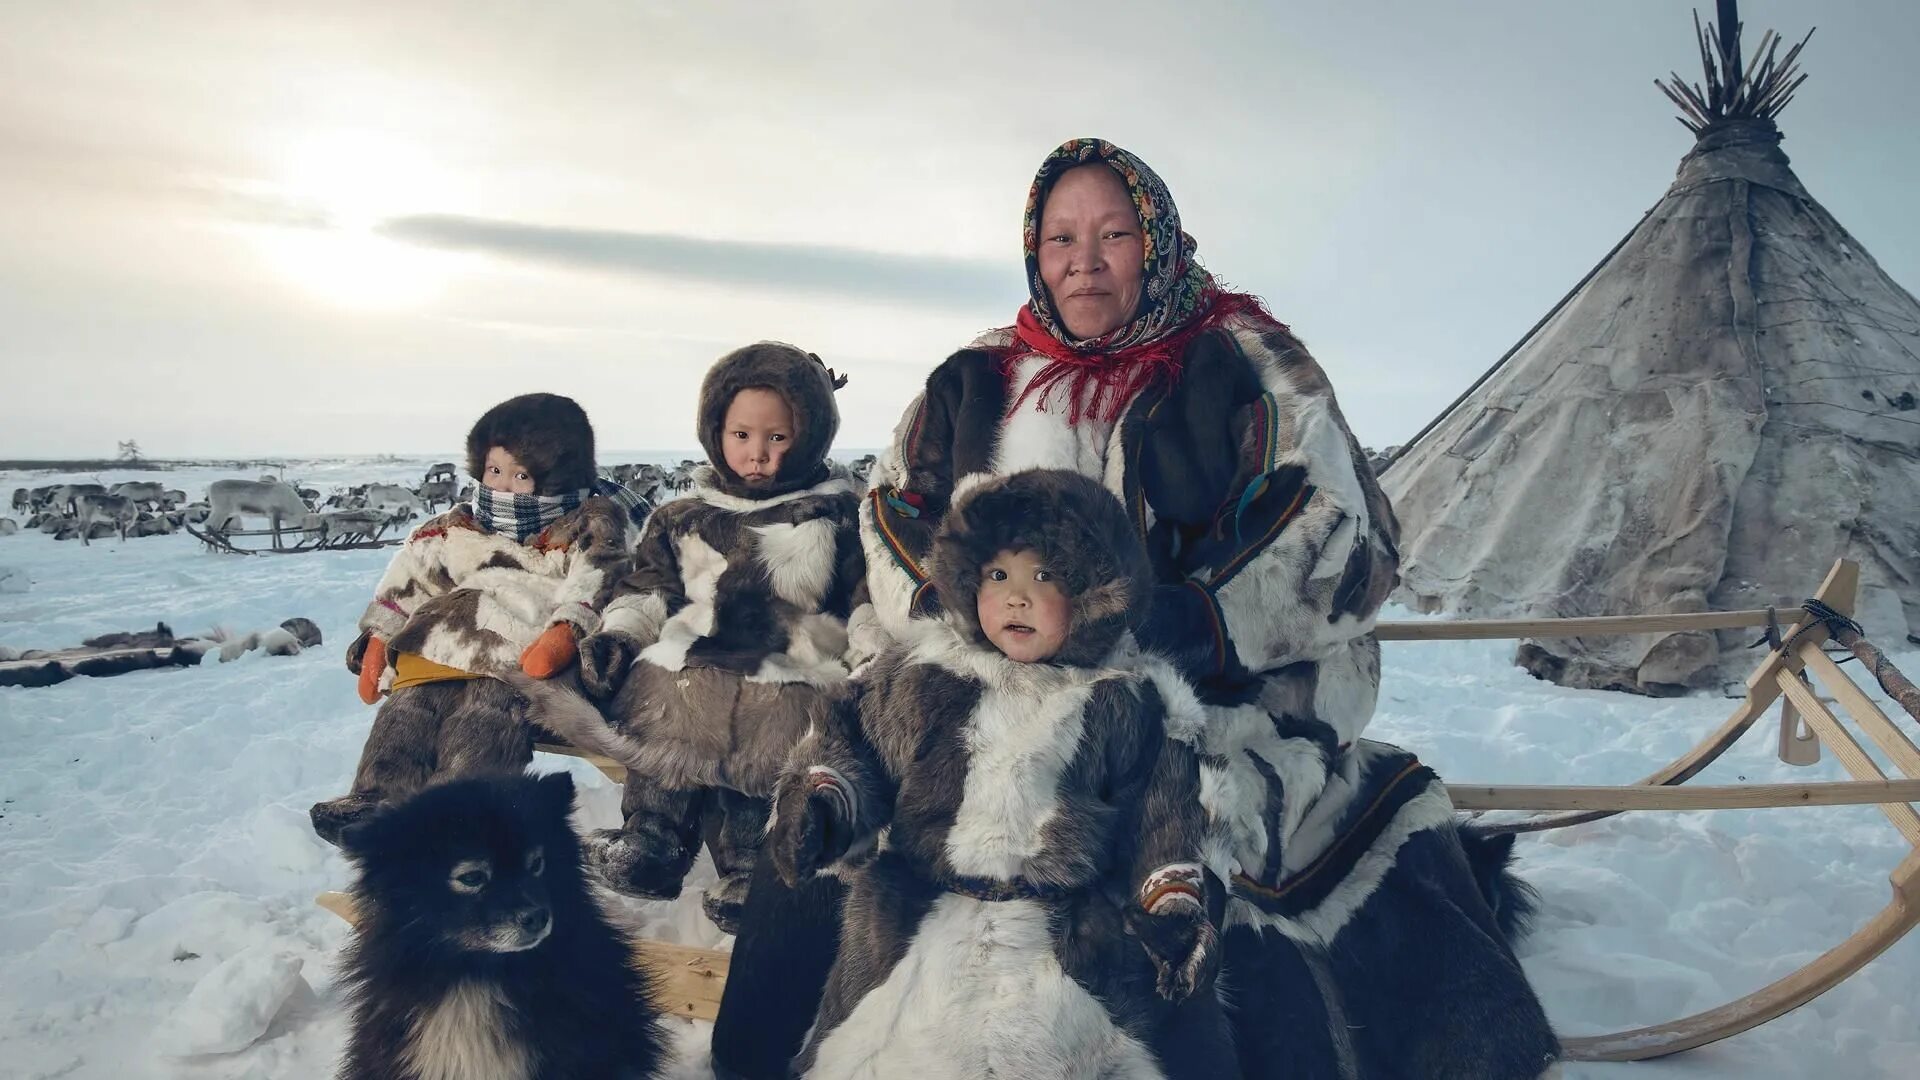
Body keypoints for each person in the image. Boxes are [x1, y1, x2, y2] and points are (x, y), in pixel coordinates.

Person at [715, 139, 1558, 1079]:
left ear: (1154, 242)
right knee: (852, 829)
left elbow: (1326, 531)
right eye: (1061, 237)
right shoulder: (977, 378)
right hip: (982, 691)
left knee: (1193, 855)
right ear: (1034, 251)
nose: (1084, 258)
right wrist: (957, 624)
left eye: (1112, 234)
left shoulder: (1245, 363)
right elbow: (894, 516)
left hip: (1204, 699)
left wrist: (1172, 626)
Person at [767, 469, 1234, 1079]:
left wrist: (1171, 900)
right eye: (997, 576)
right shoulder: (922, 676)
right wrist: (823, 802)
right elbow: (850, 740)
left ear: (1096, 594)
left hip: (1059, 942)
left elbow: (1170, 812)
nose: (1016, 596)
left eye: (1044, 577)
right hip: (913, 925)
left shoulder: (1128, 702)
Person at [558, 342, 865, 933]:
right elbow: (648, 587)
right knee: (663, 719)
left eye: (778, 438)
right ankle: (651, 837)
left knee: (765, 751)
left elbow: (862, 599)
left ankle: (750, 866)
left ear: (812, 434)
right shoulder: (685, 515)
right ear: (714, 431)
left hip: (788, 660)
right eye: (741, 435)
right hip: (691, 660)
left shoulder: (838, 516)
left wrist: (869, 660)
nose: (758, 455)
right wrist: (621, 633)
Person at [308, 393, 641, 845]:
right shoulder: (456, 526)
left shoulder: (588, 526)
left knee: (484, 717)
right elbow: (411, 578)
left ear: (557, 475)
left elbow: (597, 579)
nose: (502, 485)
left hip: (518, 657)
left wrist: (566, 630)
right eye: (495, 470)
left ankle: (462, 802)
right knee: (407, 711)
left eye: (521, 475)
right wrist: (378, 634)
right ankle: (375, 797)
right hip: (438, 649)